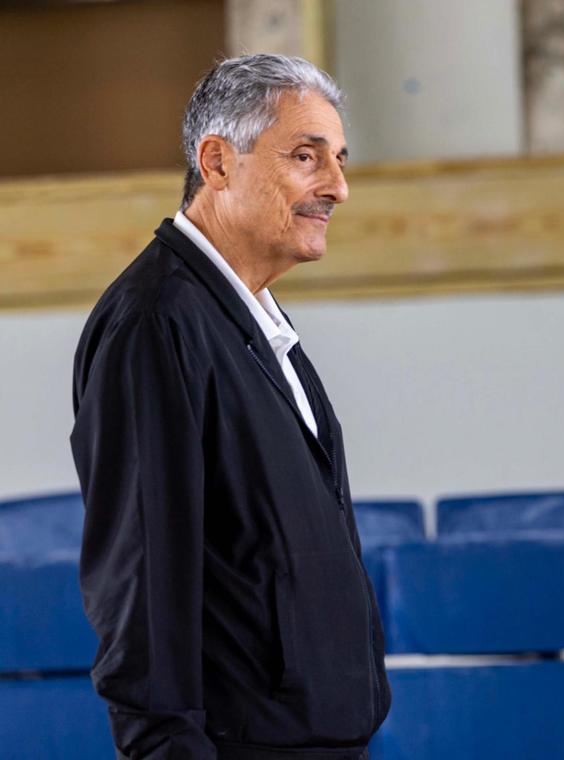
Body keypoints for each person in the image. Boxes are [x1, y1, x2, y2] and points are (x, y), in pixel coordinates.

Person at [70, 54, 389, 759]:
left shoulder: (252, 318)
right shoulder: (154, 325)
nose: (337, 187)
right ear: (216, 162)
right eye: (307, 157)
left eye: (339, 159)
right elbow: (141, 587)